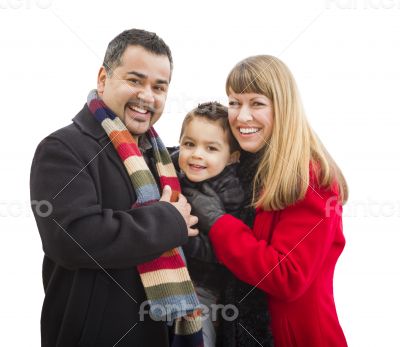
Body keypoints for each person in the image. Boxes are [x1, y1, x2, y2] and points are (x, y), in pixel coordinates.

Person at [30, 29, 203, 347]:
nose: (147, 97)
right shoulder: (62, 148)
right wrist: (168, 221)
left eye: (159, 87)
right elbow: (73, 239)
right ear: (103, 78)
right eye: (135, 81)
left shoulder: (163, 158)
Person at [183, 55, 349, 347]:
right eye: (234, 102)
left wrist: (218, 222)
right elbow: (198, 149)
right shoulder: (245, 165)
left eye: (256, 103)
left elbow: (287, 276)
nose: (241, 116)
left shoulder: (311, 178)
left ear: (282, 107)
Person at [174, 101, 243, 346]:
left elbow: (222, 252)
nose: (197, 154)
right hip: (170, 280)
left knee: (198, 337)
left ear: (232, 157)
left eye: (211, 148)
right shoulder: (171, 170)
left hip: (204, 287)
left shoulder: (230, 191)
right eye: (189, 144)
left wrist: (180, 238)